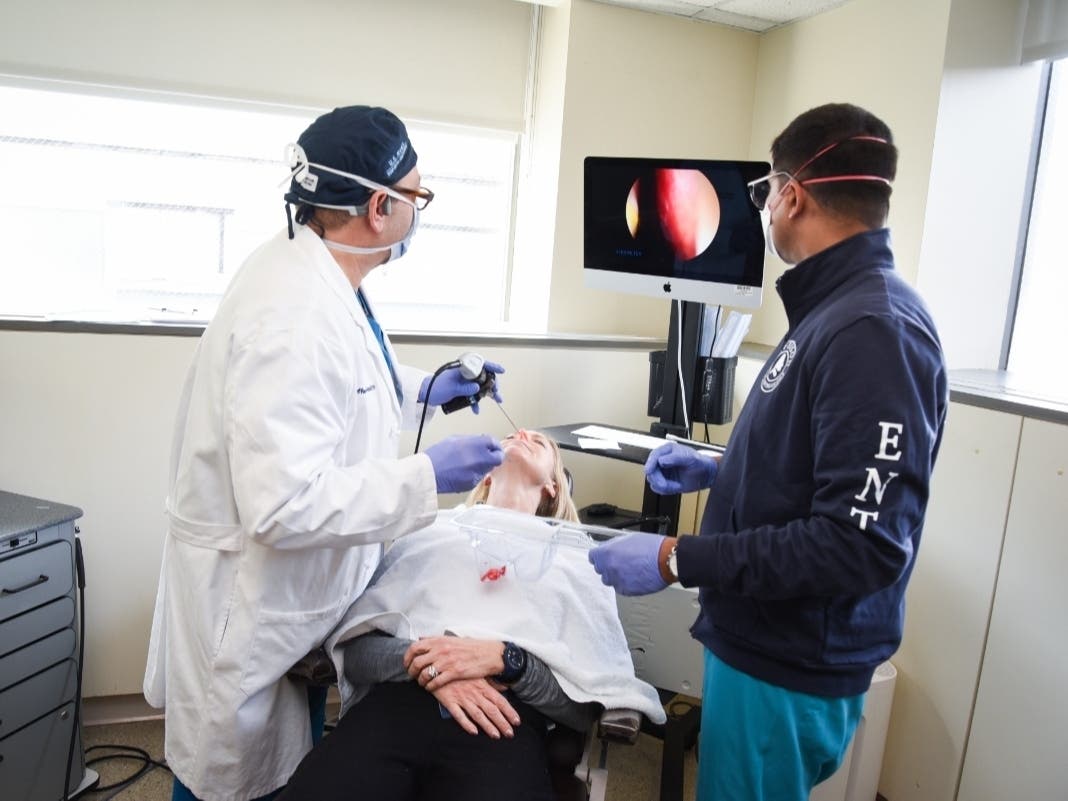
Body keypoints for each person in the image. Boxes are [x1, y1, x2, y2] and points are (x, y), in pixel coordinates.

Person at [143, 105, 508, 801]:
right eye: (418, 196)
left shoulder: (313, 269)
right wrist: (426, 476)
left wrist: (427, 391)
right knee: (234, 781)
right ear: (379, 207)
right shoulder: (295, 315)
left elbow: (344, 388)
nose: (419, 212)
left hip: (295, 601)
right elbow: (282, 504)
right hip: (252, 604)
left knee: (290, 768)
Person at [588, 103, 948, 801]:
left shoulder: (873, 329)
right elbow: (822, 465)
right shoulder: (831, 310)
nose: (765, 209)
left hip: (788, 660)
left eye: (764, 193)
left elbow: (856, 544)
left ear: (792, 195)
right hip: (757, 640)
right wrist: (723, 467)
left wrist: (673, 558)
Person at [277, 429, 665, 801]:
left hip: (501, 724)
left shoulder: (577, 557)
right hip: (396, 707)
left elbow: (581, 710)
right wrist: (432, 666)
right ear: (485, 473)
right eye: (513, 435)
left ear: (553, 485)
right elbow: (358, 655)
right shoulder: (428, 530)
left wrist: (508, 660)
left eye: (539, 442)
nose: (522, 433)